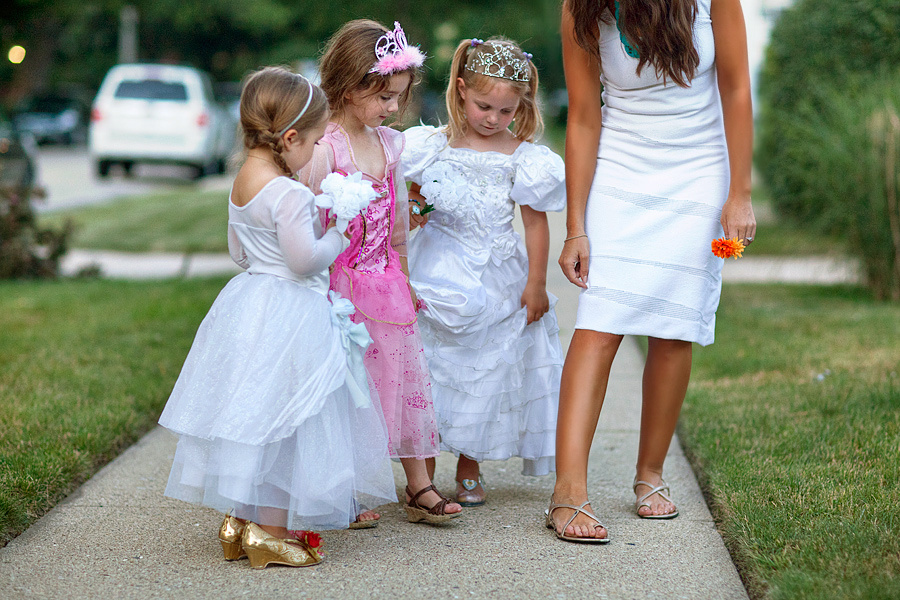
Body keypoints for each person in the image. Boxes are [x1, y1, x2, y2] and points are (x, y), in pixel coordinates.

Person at [158, 66, 396, 568]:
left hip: (249, 304)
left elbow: (239, 253)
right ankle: (269, 530)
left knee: (251, 412)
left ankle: (237, 520)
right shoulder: (288, 193)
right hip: (291, 310)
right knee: (289, 421)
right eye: (311, 142)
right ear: (289, 137)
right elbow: (305, 260)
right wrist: (341, 232)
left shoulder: (243, 182)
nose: (313, 152)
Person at [549, 0, 756, 542]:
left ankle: (651, 475)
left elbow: (735, 88)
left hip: (699, 170)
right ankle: (568, 494)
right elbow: (584, 114)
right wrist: (576, 226)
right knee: (598, 323)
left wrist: (739, 194)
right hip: (622, 167)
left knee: (674, 326)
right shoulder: (583, 8)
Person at [300, 20, 463, 523]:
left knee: (404, 379)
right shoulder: (325, 149)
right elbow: (305, 220)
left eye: (398, 96)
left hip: (385, 279)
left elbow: (395, 226)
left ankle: (419, 485)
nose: (393, 108)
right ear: (349, 88)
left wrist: (405, 277)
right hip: (340, 287)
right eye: (384, 97)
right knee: (351, 390)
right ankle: (342, 490)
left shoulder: (390, 146)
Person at [402, 38, 566, 506]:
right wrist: (417, 207)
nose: (493, 118)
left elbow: (535, 223)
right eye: (483, 105)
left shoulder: (523, 156)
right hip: (439, 264)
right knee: (434, 365)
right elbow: (414, 201)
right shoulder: (431, 147)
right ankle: (424, 473)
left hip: (498, 271)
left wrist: (536, 283)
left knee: (485, 370)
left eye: (506, 110)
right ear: (459, 91)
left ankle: (470, 463)